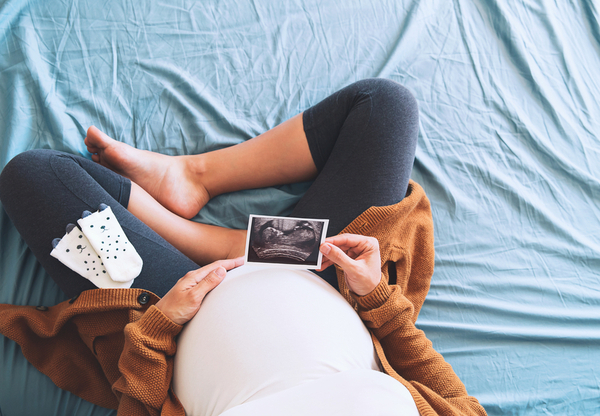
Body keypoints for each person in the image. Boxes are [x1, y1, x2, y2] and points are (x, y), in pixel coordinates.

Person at [0, 79, 487, 416]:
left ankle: (210, 237)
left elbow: (138, 404)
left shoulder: (165, 318)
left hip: (169, 305)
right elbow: (446, 392)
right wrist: (376, 296)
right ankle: (198, 180)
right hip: (325, 274)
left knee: (33, 175)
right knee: (384, 107)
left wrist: (160, 327)